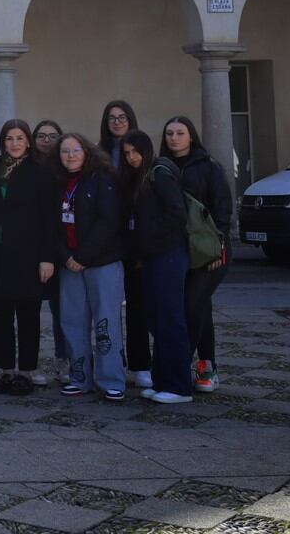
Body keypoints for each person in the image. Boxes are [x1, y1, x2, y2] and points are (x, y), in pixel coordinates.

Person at [0, 120, 58, 397]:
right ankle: (6, 371)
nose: (14, 144)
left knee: (28, 316)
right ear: (3, 142)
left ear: (28, 141)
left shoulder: (40, 174)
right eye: (9, 138)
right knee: (2, 315)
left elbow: (49, 220)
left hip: (28, 257)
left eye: (19, 138)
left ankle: (26, 372)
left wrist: (47, 258)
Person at [120, 130, 194, 403]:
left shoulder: (159, 173)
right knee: (156, 318)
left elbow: (176, 214)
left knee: (170, 318)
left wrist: (147, 236)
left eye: (135, 152)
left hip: (168, 254)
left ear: (146, 150)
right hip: (152, 257)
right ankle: (163, 380)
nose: (132, 158)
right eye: (127, 153)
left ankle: (179, 386)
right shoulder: (143, 176)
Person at [53, 132, 126, 401]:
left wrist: (83, 256)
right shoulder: (58, 183)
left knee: (106, 323)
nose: (70, 156)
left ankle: (111, 381)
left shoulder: (103, 180)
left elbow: (107, 223)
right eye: (64, 151)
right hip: (69, 265)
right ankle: (79, 377)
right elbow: (53, 227)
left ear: (86, 152)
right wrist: (66, 257)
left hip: (101, 263)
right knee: (72, 322)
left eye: (75, 150)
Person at [162, 116, 232, 393]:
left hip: (210, 250)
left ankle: (178, 367)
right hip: (179, 250)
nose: (174, 138)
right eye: (169, 133)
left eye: (180, 132)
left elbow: (222, 208)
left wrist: (220, 244)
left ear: (191, 136)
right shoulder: (162, 166)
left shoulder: (209, 167)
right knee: (200, 307)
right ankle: (207, 366)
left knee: (192, 305)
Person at [98, 100, 147, 388]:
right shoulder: (99, 153)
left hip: (136, 239)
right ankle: (113, 362)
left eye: (122, 117)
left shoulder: (141, 152)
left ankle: (141, 362)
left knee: (138, 305)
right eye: (112, 118)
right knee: (108, 308)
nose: (117, 122)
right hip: (108, 239)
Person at [31, 118, 67, 382]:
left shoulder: (67, 166)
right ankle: (29, 363)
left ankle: (64, 359)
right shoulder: (27, 167)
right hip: (30, 248)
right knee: (30, 308)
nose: (46, 140)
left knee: (61, 309)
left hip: (61, 248)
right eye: (41, 136)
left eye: (52, 136)